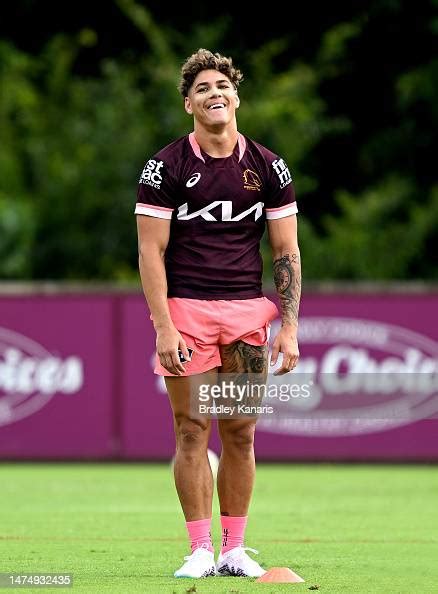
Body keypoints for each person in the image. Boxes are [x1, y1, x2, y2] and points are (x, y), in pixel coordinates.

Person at [135, 48, 301, 579]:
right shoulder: (165, 166)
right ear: (189, 104)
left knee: (241, 432)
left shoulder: (268, 166)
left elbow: (286, 252)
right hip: (185, 312)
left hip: (246, 315)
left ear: (236, 98)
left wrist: (290, 327)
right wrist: (163, 326)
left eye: (222, 87)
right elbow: (150, 253)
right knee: (191, 429)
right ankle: (199, 550)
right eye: (203, 88)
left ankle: (233, 550)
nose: (214, 94)